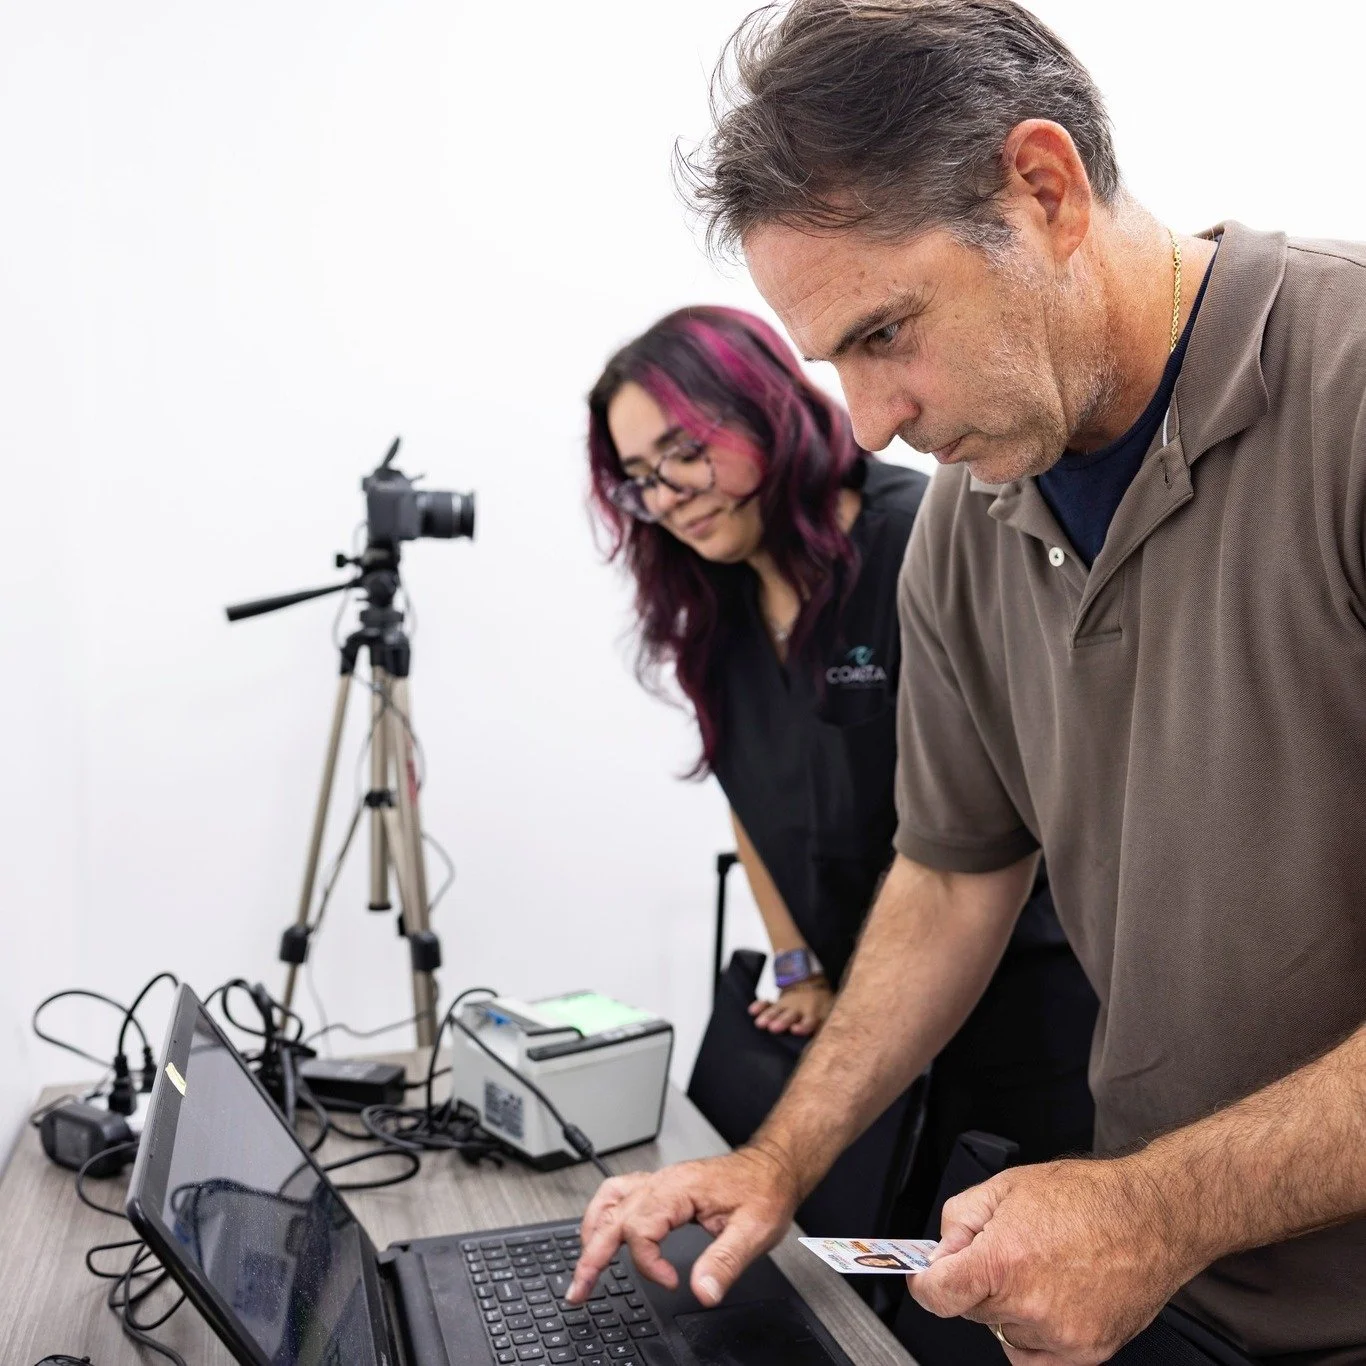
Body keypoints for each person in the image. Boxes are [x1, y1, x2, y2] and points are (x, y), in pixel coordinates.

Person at [567, 4, 1366, 1365]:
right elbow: (948, 877)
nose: (868, 421)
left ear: (1043, 190)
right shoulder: (966, 528)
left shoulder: (1342, 391)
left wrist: (1153, 1207)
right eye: (834, 364)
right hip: (1184, 1298)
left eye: (886, 332)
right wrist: (777, 1157)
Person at [586, 305, 1096, 1233]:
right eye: (641, 479)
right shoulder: (717, 605)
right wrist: (798, 962)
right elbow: (746, 791)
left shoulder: (923, 543)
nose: (668, 495)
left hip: (1019, 1013)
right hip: (864, 1042)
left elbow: (1011, 826)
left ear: (765, 406)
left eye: (684, 452)